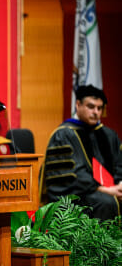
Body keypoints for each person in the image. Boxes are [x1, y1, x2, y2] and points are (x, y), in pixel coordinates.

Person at [42, 85, 121, 221]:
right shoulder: (64, 134)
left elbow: (119, 163)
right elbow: (72, 175)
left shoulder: (108, 134)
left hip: (111, 190)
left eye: (99, 108)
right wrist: (106, 190)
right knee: (106, 202)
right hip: (75, 196)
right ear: (78, 105)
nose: (96, 112)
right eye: (91, 106)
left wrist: (119, 184)